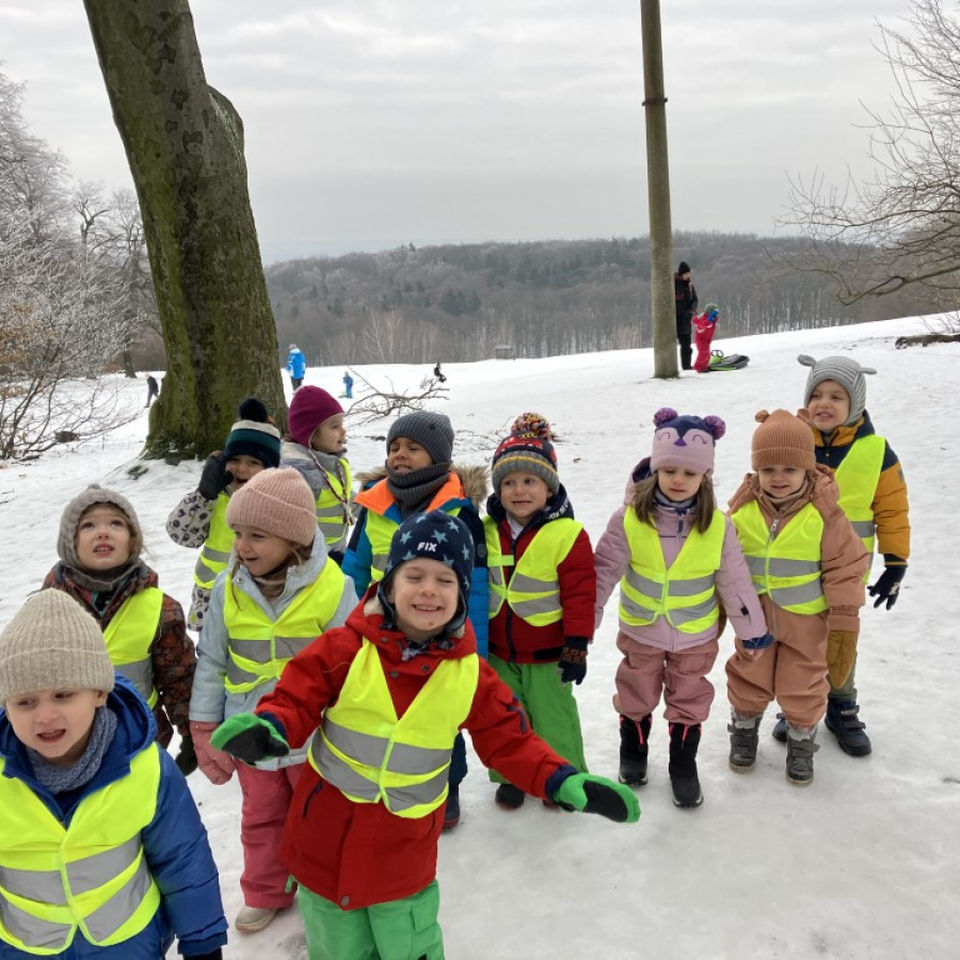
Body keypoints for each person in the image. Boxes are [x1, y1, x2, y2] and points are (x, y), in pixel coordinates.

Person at [210, 511, 640, 960]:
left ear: (462, 594)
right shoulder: (346, 648)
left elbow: (511, 741)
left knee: (409, 945)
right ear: (389, 585)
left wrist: (562, 780)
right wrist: (271, 727)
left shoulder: (471, 676)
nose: (429, 589)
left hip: (402, 852)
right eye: (414, 576)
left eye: (445, 580)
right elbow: (296, 695)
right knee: (337, 949)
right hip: (324, 840)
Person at [0, 590, 227, 960]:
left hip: (127, 944)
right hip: (24, 949)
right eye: (25, 701)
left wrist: (203, 943)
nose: (45, 716)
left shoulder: (144, 766)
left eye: (63, 695)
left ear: (99, 693)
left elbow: (182, 857)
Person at [189, 467, 355, 935]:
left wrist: (351, 729)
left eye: (257, 535)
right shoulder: (227, 589)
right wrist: (204, 726)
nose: (242, 546)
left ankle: (323, 884)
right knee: (260, 816)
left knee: (319, 814)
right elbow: (212, 661)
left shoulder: (334, 587)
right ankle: (266, 890)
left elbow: (350, 666)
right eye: (239, 533)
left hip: (312, 735)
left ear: (293, 538)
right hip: (250, 732)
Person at [594, 408, 768, 807]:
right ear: (655, 469)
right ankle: (633, 752)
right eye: (669, 470)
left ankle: (683, 764)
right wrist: (583, 623)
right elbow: (603, 572)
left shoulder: (718, 526)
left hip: (695, 635)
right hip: (641, 630)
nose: (678, 479)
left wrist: (752, 632)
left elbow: (736, 582)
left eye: (689, 473)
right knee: (635, 693)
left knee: (689, 699)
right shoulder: (629, 519)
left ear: (704, 476)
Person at [341, 410, 488, 830]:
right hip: (380, 631)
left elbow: (477, 587)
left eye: (412, 448)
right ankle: (385, 781)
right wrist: (347, 628)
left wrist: (475, 650)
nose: (399, 455)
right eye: (394, 447)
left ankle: (448, 784)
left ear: (438, 458)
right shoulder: (373, 506)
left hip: (440, 633)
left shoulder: (460, 512)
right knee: (382, 708)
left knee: (440, 713)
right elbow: (354, 569)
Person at [769, 355, 911, 756]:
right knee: (801, 637)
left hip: (847, 569)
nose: (823, 403)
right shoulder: (793, 443)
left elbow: (893, 510)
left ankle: (842, 706)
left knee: (841, 634)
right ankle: (798, 704)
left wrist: (895, 563)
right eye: (816, 394)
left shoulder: (876, 451)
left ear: (856, 402)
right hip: (798, 565)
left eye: (836, 396)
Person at [726, 410, 868, 785]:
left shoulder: (824, 513)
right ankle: (744, 730)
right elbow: (722, 562)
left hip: (807, 620)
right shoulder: (742, 510)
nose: (778, 478)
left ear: (807, 468)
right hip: (754, 620)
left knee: (802, 683)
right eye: (768, 469)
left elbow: (845, 566)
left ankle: (802, 740)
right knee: (748, 675)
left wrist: (844, 618)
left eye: (789, 469)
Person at [42, 485, 198, 774]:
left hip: (139, 741)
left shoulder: (160, 608)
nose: (103, 532)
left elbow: (179, 675)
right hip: (67, 747)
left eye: (116, 524)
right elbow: (25, 678)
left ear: (132, 539)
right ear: (69, 542)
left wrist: (191, 731)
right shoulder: (46, 607)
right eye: (88, 525)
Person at [483, 430, 595, 809]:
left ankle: (564, 780)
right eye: (509, 482)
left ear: (549, 488)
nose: (519, 491)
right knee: (507, 719)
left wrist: (576, 646)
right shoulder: (486, 530)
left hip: (549, 654)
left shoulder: (568, 534)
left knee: (554, 720)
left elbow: (580, 595)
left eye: (530, 481)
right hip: (499, 651)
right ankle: (513, 776)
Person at [166, 398, 281, 633]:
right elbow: (181, 535)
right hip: (211, 602)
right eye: (234, 460)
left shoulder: (279, 502)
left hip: (260, 602)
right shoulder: (214, 497)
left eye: (253, 462)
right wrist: (204, 495)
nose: (242, 469)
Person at [281, 386, 353, 561]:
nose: (343, 431)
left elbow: (344, 496)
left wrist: (371, 504)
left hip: (334, 553)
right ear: (310, 433)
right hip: (309, 561)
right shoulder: (298, 473)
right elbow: (287, 524)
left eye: (342, 424)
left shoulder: (332, 462)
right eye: (335, 426)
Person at [674, 260, 699, 371]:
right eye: (686, 274)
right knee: (670, 344)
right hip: (674, 320)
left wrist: (692, 310)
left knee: (687, 346)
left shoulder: (690, 286)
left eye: (689, 273)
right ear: (681, 275)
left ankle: (687, 366)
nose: (688, 276)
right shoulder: (673, 285)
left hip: (686, 320)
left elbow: (695, 300)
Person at [692, 302, 720, 373]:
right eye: (714, 313)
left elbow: (714, 321)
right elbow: (704, 324)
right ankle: (699, 367)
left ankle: (704, 366)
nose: (716, 315)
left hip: (706, 340)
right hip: (700, 340)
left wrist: (713, 318)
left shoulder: (711, 319)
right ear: (710, 312)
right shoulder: (703, 319)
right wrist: (709, 320)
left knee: (707, 354)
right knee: (703, 353)